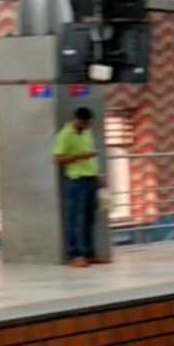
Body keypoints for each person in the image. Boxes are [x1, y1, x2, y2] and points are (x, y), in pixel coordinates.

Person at [53, 107, 107, 268]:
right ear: (77, 120)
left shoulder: (86, 133)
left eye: (89, 123)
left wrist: (98, 177)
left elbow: (91, 158)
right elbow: (58, 159)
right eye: (86, 123)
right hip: (76, 181)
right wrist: (78, 157)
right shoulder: (65, 135)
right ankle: (75, 255)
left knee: (89, 219)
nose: (88, 126)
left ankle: (89, 254)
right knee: (76, 219)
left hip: (90, 180)